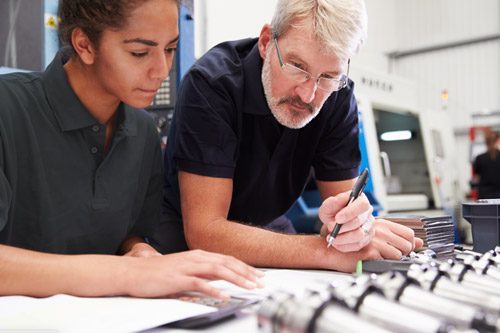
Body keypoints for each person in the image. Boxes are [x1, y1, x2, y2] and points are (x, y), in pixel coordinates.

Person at [0, 0, 262, 298]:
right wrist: (127, 274)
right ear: (84, 44)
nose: (161, 70)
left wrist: (140, 252)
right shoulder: (7, 111)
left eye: (170, 49)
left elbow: (128, 235)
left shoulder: (142, 132)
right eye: (139, 52)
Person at [152, 0, 423, 272]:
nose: (308, 95)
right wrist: (325, 253)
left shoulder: (337, 97)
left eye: (328, 76)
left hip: (267, 227)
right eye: (297, 66)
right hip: (185, 239)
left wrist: (357, 228)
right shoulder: (212, 85)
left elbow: (344, 217)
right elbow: (206, 231)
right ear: (266, 41)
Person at [473, 131, 500, 199]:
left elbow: (476, 177)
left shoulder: (479, 158)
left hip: (485, 196)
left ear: (486, 142)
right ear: (497, 140)